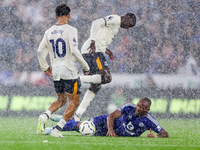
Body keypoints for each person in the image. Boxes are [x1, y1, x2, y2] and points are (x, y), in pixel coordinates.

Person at [37, 4, 90, 138]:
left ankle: (44, 116)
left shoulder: (48, 31)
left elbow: (39, 51)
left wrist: (46, 68)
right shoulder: (71, 30)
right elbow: (74, 51)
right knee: (74, 102)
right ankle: (57, 129)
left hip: (56, 71)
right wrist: (86, 67)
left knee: (61, 100)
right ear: (69, 15)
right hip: (69, 71)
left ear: (56, 16)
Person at [74, 13, 137, 121]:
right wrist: (92, 41)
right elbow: (96, 23)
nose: (127, 28)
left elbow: (101, 38)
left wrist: (107, 51)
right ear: (126, 17)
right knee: (107, 78)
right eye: (129, 25)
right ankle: (76, 79)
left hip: (94, 50)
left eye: (129, 27)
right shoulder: (116, 19)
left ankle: (78, 114)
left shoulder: (116, 27)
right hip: (93, 50)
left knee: (96, 86)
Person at [45, 98, 169, 138]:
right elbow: (111, 115)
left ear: (147, 110)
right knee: (83, 127)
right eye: (138, 105)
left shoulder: (149, 121)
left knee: (83, 129)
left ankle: (64, 119)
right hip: (108, 122)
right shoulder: (129, 107)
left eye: (142, 107)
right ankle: (51, 129)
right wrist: (110, 130)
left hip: (114, 133)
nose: (138, 108)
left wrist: (156, 136)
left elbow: (165, 134)